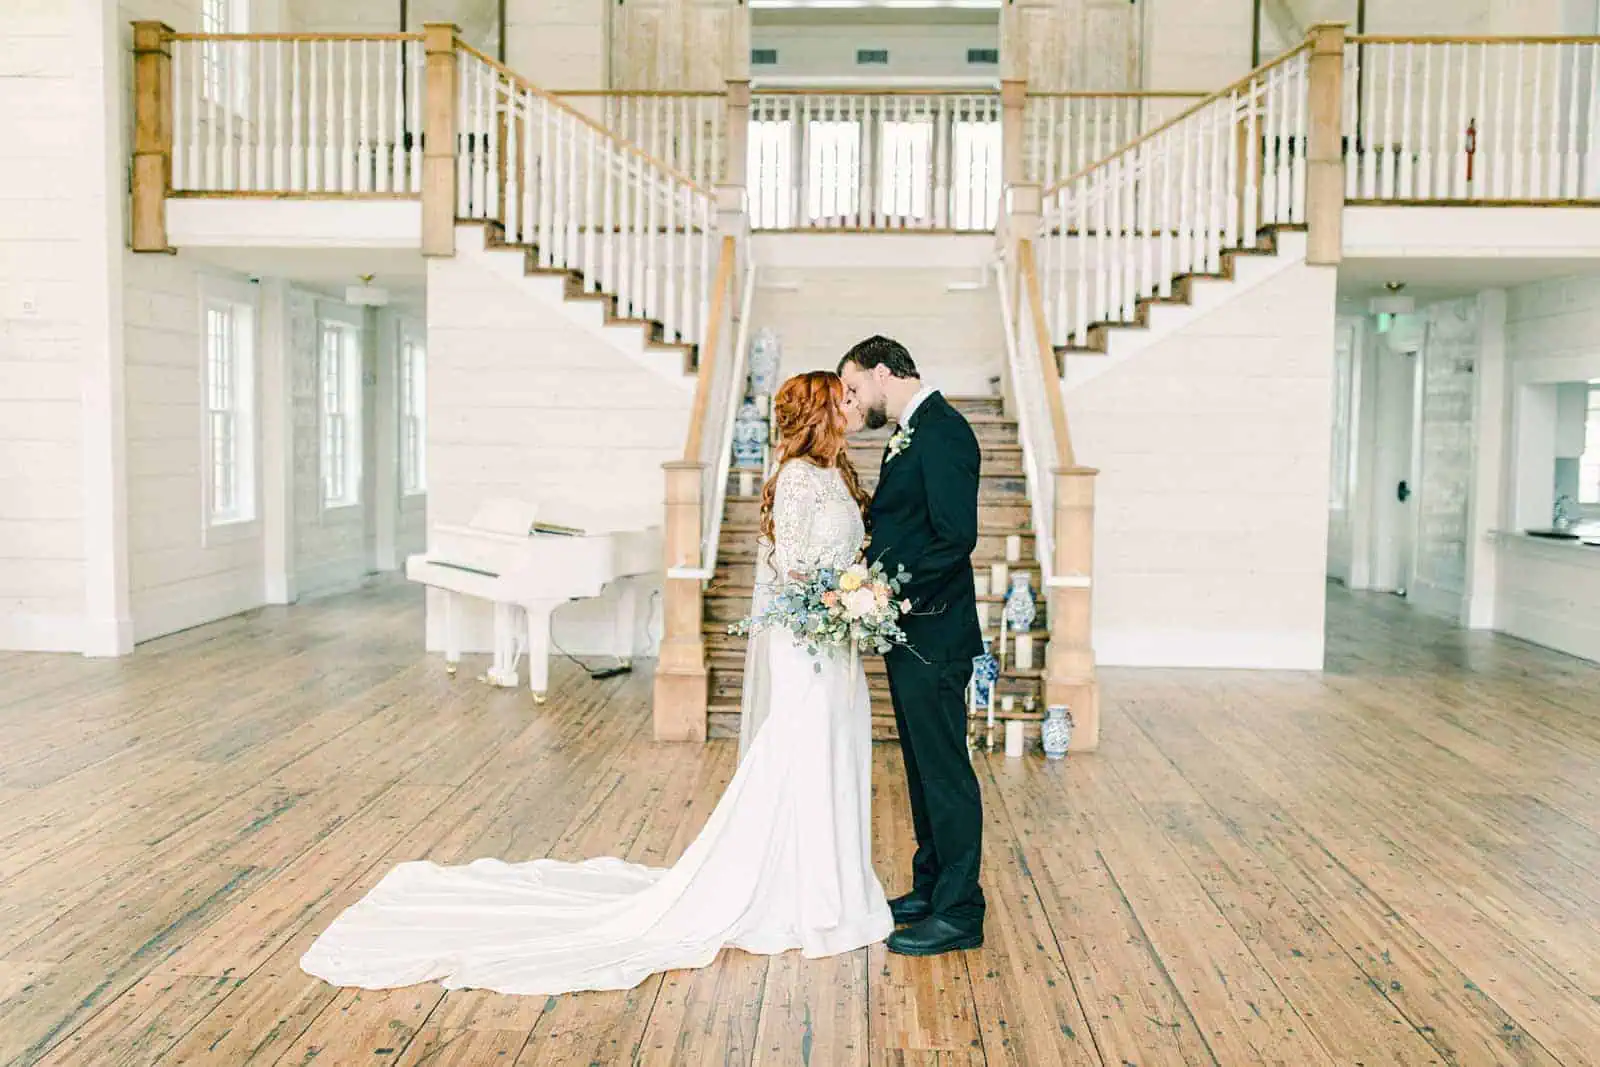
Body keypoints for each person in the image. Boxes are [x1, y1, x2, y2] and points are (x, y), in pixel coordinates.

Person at [298, 371, 892, 996]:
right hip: (806, 644)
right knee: (802, 754)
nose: (854, 407)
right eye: (844, 398)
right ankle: (803, 893)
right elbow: (792, 565)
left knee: (831, 752)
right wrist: (839, 600)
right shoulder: (797, 478)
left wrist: (856, 596)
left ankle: (829, 885)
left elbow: (838, 559)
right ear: (822, 410)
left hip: (835, 641)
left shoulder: (836, 476)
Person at [837, 336, 986, 957]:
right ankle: (929, 889)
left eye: (852, 388)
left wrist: (889, 594)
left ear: (880, 373)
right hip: (911, 634)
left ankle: (960, 910)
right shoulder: (912, 431)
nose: (851, 401)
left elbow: (956, 540)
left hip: (935, 630)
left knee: (946, 773)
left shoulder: (944, 431)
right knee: (922, 772)